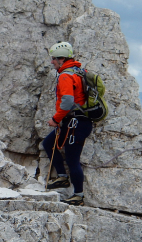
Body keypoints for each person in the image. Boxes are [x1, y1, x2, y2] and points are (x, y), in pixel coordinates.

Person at [43, 41, 93, 206]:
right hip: (77, 121)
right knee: (49, 143)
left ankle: (78, 195)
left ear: (62, 59)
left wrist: (55, 119)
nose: (52, 62)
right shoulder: (79, 71)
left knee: (72, 159)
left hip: (75, 123)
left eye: (54, 59)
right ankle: (62, 178)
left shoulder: (65, 75)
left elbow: (67, 102)